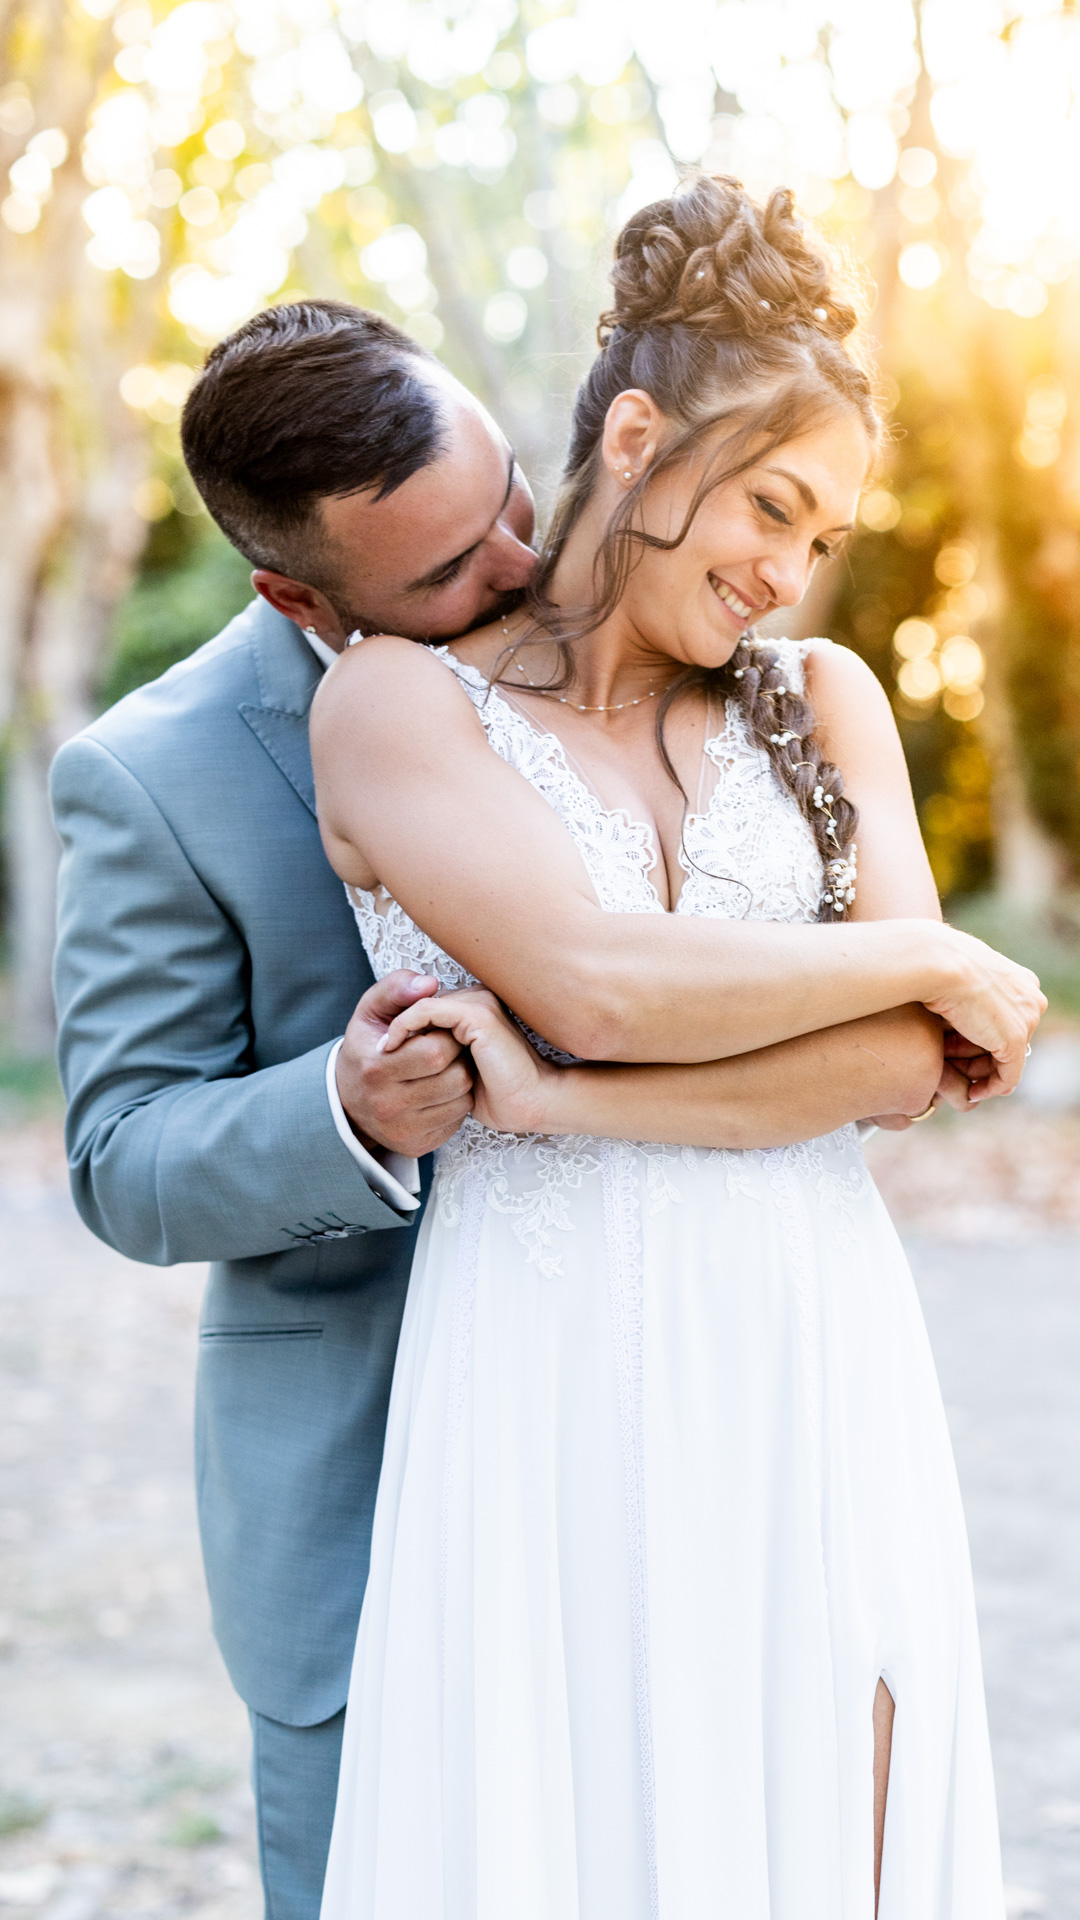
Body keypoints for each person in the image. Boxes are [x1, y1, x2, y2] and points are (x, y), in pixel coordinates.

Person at [310, 178, 1043, 1918]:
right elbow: (588, 977)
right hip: (545, 1357)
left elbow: (895, 1067)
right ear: (637, 437)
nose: (788, 571)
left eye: (822, 537)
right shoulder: (401, 707)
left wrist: (557, 1100)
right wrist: (927, 945)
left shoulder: (829, 701)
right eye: (771, 506)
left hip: (805, 1328)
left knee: (834, 1797)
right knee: (566, 1813)